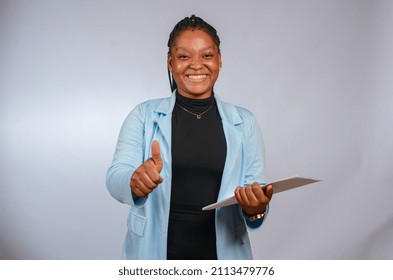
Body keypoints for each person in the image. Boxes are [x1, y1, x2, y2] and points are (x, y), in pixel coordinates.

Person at [106, 15, 273, 260]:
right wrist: (134, 181)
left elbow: (255, 190)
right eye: (184, 56)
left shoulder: (244, 122)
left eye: (206, 55)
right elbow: (115, 176)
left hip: (222, 257)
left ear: (219, 61)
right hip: (155, 256)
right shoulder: (143, 115)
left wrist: (256, 208)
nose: (196, 64)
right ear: (170, 62)